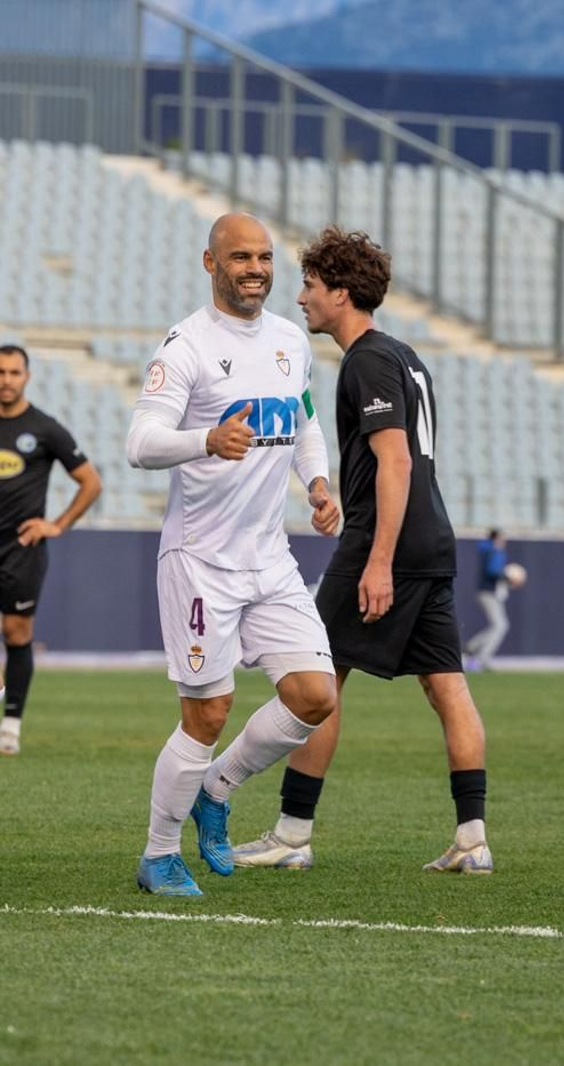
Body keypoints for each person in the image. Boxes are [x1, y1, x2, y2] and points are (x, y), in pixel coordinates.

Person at [232, 226, 492, 875]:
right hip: (432, 539)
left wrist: (377, 560)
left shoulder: (368, 360)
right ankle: (473, 839)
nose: (301, 298)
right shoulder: (405, 355)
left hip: (390, 545)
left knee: (320, 678)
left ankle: (292, 835)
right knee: (447, 687)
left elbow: (396, 461)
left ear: (341, 293)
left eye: (311, 286)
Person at [125, 213, 342, 896]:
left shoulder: (287, 340)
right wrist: (204, 441)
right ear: (210, 262)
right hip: (200, 560)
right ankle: (158, 855)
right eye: (240, 256)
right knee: (208, 714)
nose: (255, 268)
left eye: (265, 257)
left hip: (269, 555)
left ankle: (215, 791)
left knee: (314, 696)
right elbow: (140, 443)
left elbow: (304, 419)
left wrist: (317, 482)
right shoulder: (185, 346)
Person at [0, 343, 102, 756]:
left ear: (26, 376)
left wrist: (56, 524)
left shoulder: (44, 428)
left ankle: (11, 724)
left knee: (16, 632)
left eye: (13, 373)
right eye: (0, 372)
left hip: (22, 548)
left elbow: (90, 482)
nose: (6, 380)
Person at [464, 528, 510, 671]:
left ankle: (472, 647)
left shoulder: (488, 550)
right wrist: (508, 577)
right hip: (488, 593)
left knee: (499, 625)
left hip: (487, 592)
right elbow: (493, 571)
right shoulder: (494, 551)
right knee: (500, 626)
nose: (505, 541)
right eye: (502, 538)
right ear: (496, 538)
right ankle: (481, 658)